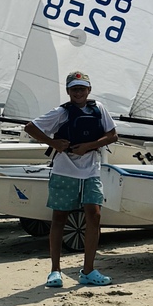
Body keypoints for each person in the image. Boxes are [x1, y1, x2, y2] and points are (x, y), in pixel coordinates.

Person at [26, 71, 119, 289]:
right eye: (74, 88)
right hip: (64, 171)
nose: (79, 92)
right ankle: (55, 271)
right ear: (68, 91)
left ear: (89, 90)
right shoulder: (60, 112)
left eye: (82, 88)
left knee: (94, 216)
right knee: (59, 217)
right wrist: (53, 142)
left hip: (91, 171)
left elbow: (113, 135)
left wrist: (89, 145)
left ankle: (88, 271)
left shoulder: (99, 109)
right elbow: (30, 128)